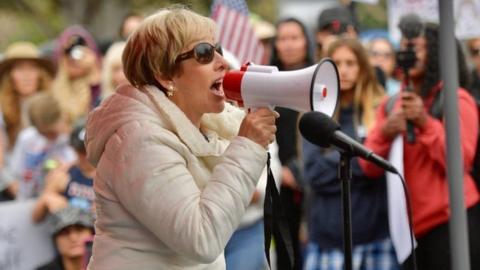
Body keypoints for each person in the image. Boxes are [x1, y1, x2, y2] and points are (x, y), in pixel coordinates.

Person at [85, 6, 278, 269]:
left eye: (217, 48)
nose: (222, 61)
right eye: (204, 53)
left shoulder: (204, 130)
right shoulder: (139, 141)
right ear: (164, 75)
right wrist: (247, 147)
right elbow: (201, 239)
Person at [360, 21, 480, 270]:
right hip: (408, 232)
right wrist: (386, 130)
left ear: (436, 53)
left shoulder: (456, 99)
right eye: (405, 46)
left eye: (418, 48)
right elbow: (368, 166)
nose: (409, 53)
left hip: (452, 223)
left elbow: (460, 161)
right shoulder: (392, 104)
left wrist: (424, 122)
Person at [302, 37, 399, 270]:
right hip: (327, 238)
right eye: (337, 64)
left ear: (363, 68)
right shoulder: (314, 112)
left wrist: (338, 161)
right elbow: (313, 172)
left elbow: (381, 167)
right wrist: (363, 159)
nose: (343, 70)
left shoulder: (380, 109)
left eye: (350, 63)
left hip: (375, 235)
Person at [270, 17, 314, 270]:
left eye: (294, 38)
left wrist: (299, 170)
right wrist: (280, 172)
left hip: (314, 179)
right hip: (279, 184)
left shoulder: (320, 76)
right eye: (282, 39)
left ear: (306, 41)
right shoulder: (268, 79)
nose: (287, 45)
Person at [0, 41, 56, 200]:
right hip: (9, 187)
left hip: (45, 185)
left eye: (32, 68)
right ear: (10, 75)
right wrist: (12, 185)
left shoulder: (52, 105)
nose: (27, 75)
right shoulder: (2, 110)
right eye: (20, 68)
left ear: (40, 73)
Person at [6, 92, 76, 199]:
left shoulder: (72, 139)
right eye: (44, 133)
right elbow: (15, 172)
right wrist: (15, 186)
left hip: (60, 200)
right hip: (28, 198)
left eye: (53, 132)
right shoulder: (27, 138)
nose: (50, 137)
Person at [32, 118, 95, 223]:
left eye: (90, 150)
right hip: (68, 232)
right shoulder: (64, 175)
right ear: (74, 149)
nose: (86, 156)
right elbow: (35, 217)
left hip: (95, 235)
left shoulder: (110, 178)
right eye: (81, 151)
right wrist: (47, 199)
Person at [52, 25, 102, 123]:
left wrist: (94, 70)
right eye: (68, 52)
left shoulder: (101, 85)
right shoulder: (52, 89)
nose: (73, 58)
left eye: (80, 51)